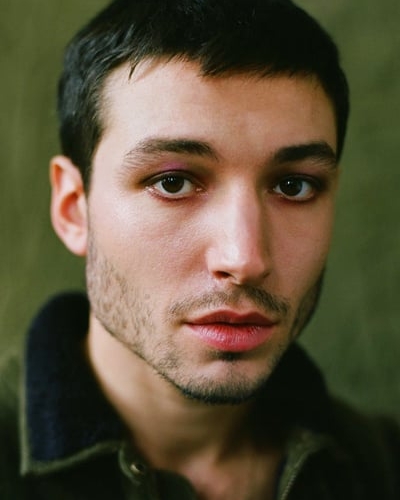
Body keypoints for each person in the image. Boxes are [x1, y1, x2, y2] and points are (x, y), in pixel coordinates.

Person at [0, 0, 399, 498]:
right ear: (72, 209)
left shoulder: (383, 469)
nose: (245, 259)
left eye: (294, 186)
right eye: (173, 182)